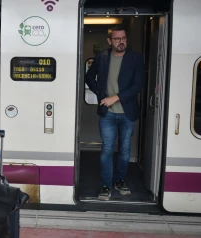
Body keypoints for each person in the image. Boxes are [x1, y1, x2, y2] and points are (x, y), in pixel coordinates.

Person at [85, 26, 144, 201]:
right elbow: (89, 77)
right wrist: (101, 94)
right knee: (107, 150)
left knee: (125, 150)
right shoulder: (102, 57)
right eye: (117, 39)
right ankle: (106, 185)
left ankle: (119, 180)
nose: (121, 42)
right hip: (107, 114)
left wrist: (115, 98)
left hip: (127, 112)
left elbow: (137, 85)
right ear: (110, 41)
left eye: (124, 38)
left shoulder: (135, 58)